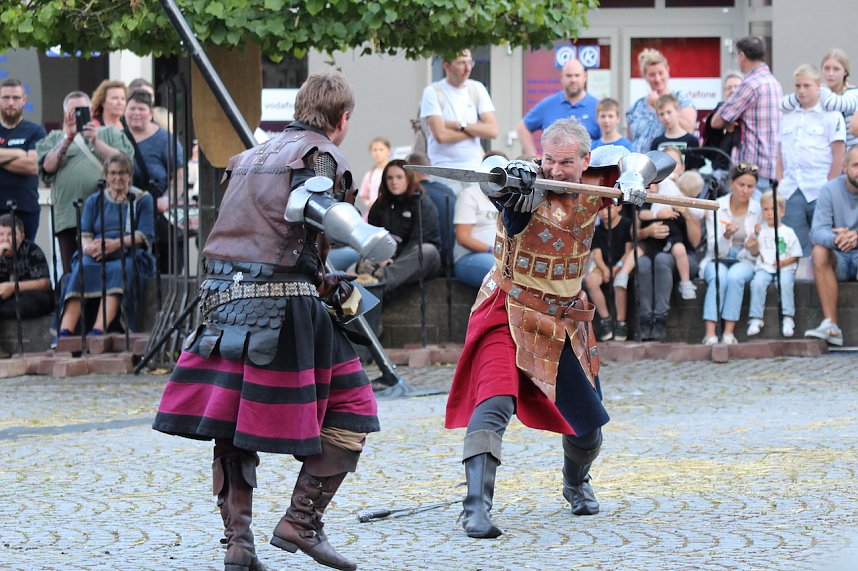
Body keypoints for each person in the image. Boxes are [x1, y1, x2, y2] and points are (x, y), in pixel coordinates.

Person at [153, 71, 380, 571]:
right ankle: (302, 522)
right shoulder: (322, 155)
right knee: (354, 407)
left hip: (221, 299)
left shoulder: (245, 157)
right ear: (343, 120)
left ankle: (239, 544)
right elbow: (322, 220)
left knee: (230, 424)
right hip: (281, 303)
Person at [445, 118, 649, 540]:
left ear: (585, 161)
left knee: (589, 430)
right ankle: (476, 508)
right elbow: (501, 189)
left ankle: (575, 482)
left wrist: (635, 177)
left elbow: (656, 160)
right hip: (510, 306)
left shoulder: (597, 179)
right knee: (495, 398)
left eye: (565, 162)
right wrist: (509, 188)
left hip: (563, 317)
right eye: (548, 160)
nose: (555, 170)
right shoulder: (522, 187)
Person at [56, 153, 155, 337]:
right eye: (113, 173)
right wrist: (89, 248)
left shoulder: (142, 199)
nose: (117, 178)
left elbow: (144, 235)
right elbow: (84, 234)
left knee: (119, 271)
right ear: (106, 176)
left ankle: (98, 330)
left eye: (122, 173)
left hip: (128, 252)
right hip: (96, 253)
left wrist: (116, 244)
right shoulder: (94, 200)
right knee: (81, 268)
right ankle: (65, 333)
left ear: (130, 175)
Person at [36, 91, 133, 275]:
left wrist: (95, 140)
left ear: (91, 110)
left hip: (106, 216)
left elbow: (125, 162)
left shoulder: (109, 133)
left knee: (105, 269)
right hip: (69, 217)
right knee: (71, 271)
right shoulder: (55, 138)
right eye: (73, 111)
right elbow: (47, 167)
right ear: (65, 114)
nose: (78, 115)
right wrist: (68, 138)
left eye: (82, 110)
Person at [777, 63, 847, 259]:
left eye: (807, 85)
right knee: (794, 247)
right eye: (798, 86)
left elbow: (839, 156)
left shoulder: (832, 115)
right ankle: (797, 286)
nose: (801, 91)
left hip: (819, 188)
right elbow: (779, 153)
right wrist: (779, 183)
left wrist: (829, 187)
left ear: (819, 86)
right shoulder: (787, 116)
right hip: (791, 189)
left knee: (822, 246)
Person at [123, 89, 186, 273]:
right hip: (129, 216)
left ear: (151, 113)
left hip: (160, 214)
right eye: (132, 108)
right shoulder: (118, 138)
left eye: (141, 109)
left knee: (167, 268)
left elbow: (179, 174)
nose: (136, 113)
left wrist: (168, 198)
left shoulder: (165, 139)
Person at [419, 49, 497, 195]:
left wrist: (459, 125)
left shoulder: (477, 88)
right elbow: (441, 136)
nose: (468, 68)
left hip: (474, 168)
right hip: (444, 170)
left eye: (470, 62)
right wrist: (475, 131)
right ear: (447, 66)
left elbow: (492, 130)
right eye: (461, 63)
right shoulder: (433, 91)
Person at [700, 162, 761, 345]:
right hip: (717, 258)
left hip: (745, 258)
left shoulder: (758, 209)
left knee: (735, 277)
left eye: (750, 186)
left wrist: (753, 246)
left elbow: (760, 250)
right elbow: (713, 248)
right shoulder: (717, 207)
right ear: (732, 183)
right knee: (719, 277)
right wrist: (726, 236)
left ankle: (728, 332)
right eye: (741, 185)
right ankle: (710, 332)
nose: (745, 190)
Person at [710, 36, 783, 190]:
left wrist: (731, 121)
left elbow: (716, 122)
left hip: (749, 170)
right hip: (771, 167)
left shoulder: (750, 84)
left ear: (742, 56)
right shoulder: (774, 83)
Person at [804, 145, 858, 346]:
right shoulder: (829, 190)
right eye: (856, 165)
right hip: (839, 258)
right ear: (844, 167)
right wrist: (836, 239)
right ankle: (831, 326)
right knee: (818, 251)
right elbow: (817, 231)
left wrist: (856, 237)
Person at [364, 159, 442, 293]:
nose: (394, 182)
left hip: (418, 259)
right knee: (358, 265)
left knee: (427, 251)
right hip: (385, 259)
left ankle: (379, 281)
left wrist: (393, 259)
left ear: (408, 179)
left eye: (399, 177)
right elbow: (371, 237)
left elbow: (416, 242)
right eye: (389, 178)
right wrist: (380, 258)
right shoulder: (380, 204)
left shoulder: (422, 204)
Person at [636, 146, 699, 303]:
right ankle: (645, 318)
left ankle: (661, 317)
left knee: (662, 260)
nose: (670, 170)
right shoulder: (650, 189)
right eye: (665, 165)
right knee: (643, 262)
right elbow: (633, 233)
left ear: (682, 167)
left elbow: (695, 242)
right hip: (652, 246)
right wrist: (647, 231)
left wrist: (686, 213)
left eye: (674, 164)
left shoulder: (685, 193)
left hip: (682, 250)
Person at [746, 191, 802, 338]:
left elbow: (796, 255)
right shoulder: (761, 230)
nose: (770, 213)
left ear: (782, 212)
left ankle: (788, 317)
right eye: (766, 209)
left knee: (785, 282)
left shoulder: (788, 232)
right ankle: (756, 317)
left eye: (773, 209)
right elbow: (754, 250)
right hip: (765, 267)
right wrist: (755, 236)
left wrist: (784, 262)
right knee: (757, 283)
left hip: (784, 268)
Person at [517, 59, 600, 157]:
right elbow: (523, 128)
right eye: (569, 75)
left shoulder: (598, 107)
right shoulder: (547, 105)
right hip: (552, 170)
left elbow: (608, 138)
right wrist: (533, 156)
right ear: (561, 77)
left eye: (577, 75)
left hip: (589, 170)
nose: (573, 80)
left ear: (585, 77)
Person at [781, 49, 858, 151]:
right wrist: (803, 93)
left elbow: (832, 104)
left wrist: (817, 90)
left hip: (850, 156)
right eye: (826, 68)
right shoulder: (819, 91)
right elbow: (783, 105)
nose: (830, 73)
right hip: (825, 155)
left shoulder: (853, 93)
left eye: (836, 69)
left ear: (845, 72)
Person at [626, 48, 697, 154]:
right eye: (652, 75)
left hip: (670, 164)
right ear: (644, 76)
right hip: (639, 164)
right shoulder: (637, 106)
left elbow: (689, 129)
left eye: (661, 73)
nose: (657, 79)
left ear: (667, 71)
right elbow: (631, 139)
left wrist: (659, 105)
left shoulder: (681, 99)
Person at [0, 78, 46, 240]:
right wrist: (19, 153)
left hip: (25, 207)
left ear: (24, 100)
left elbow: (32, 165)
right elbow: (25, 159)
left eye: (16, 98)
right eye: (5, 98)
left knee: (24, 260)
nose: (10, 103)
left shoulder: (36, 131)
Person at [583, 201, 633, 341]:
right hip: (604, 266)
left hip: (621, 265)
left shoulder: (626, 224)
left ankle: (621, 322)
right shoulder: (598, 230)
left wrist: (615, 269)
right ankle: (606, 319)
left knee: (619, 284)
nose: (604, 213)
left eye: (608, 209)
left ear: (619, 207)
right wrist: (605, 270)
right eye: (601, 210)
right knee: (591, 281)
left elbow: (628, 251)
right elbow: (597, 254)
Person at [407, 151, 457, 275]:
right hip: (450, 262)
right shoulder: (447, 191)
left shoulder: (414, 194)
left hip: (428, 263)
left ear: (412, 172)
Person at [0, 213, 53, 321]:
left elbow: (44, 283)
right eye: (1, 234)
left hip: (26, 296)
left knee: (35, 301)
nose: (5, 239)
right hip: (5, 299)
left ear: (22, 237)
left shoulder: (31, 250)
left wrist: (13, 287)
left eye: (11, 234)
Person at [649, 94, 704, 170]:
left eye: (669, 112)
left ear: (678, 111)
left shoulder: (692, 140)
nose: (666, 117)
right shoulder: (656, 142)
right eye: (661, 114)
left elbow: (694, 170)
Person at [356, 136, 390, 218]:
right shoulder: (370, 175)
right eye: (375, 150)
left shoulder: (392, 173)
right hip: (374, 213)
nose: (377, 153)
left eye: (381, 150)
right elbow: (363, 195)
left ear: (389, 151)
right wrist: (369, 204)